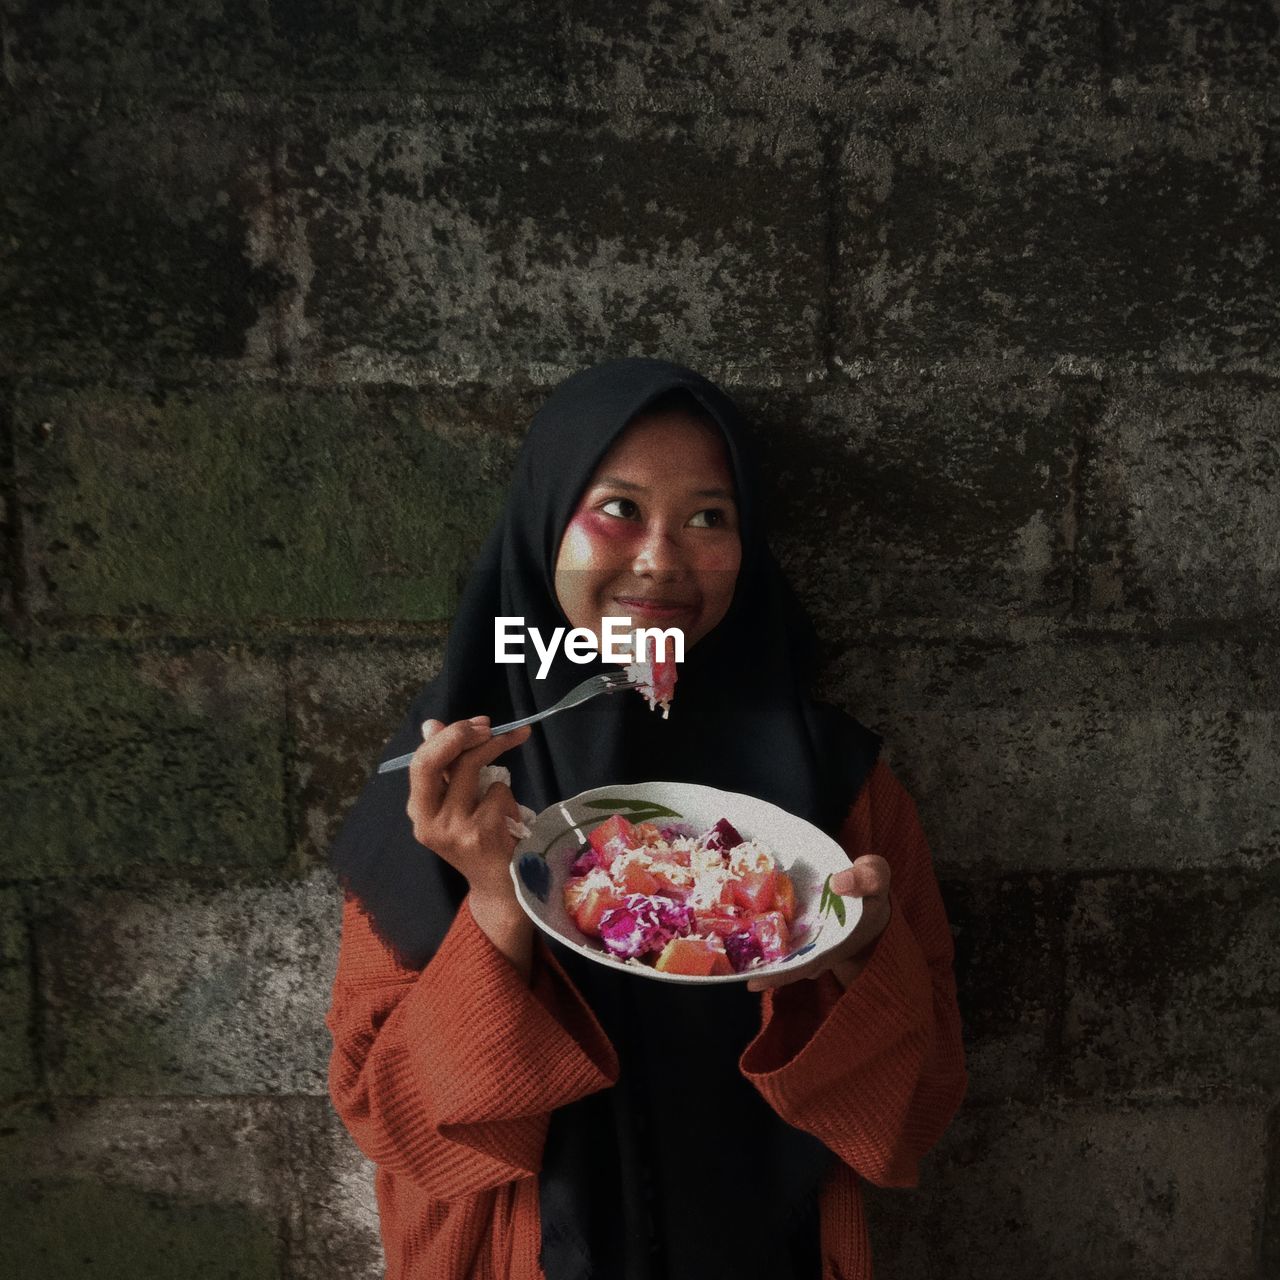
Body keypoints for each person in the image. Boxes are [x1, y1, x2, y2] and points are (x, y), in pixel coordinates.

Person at [326, 358, 967, 1280]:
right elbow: (391, 1120)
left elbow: (920, 1104)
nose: (663, 559)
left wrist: (862, 961)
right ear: (546, 523)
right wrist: (496, 905)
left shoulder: (835, 790)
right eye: (619, 509)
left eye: (710, 517)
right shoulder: (453, 784)